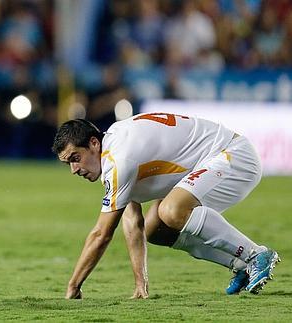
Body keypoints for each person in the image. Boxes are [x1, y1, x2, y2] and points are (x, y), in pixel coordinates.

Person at [52, 113, 279, 299]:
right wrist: (141, 284)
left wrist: (73, 286)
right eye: (68, 163)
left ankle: (256, 255)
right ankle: (240, 264)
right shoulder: (116, 148)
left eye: (75, 158)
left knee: (171, 210)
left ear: (94, 143)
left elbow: (102, 234)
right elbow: (133, 222)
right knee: (155, 229)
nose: (74, 169)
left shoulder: (119, 160)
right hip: (213, 161)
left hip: (234, 157)